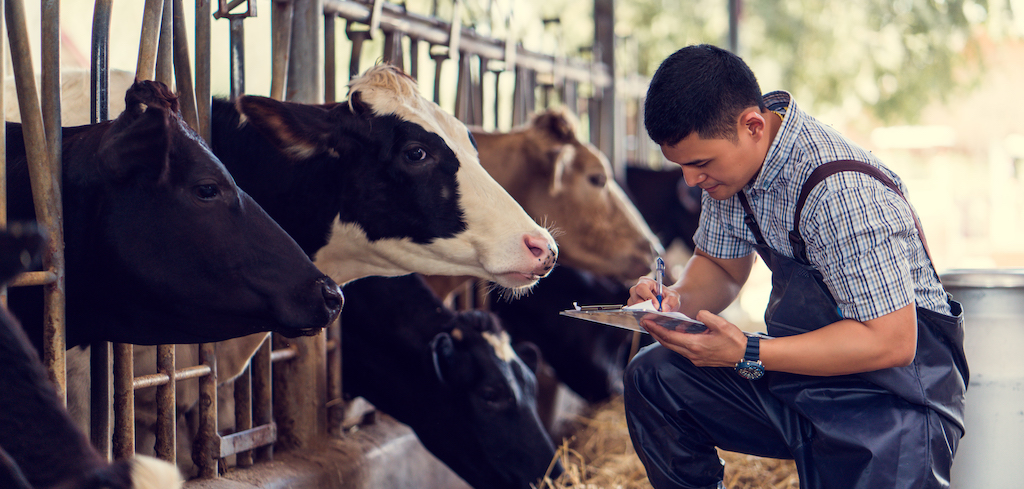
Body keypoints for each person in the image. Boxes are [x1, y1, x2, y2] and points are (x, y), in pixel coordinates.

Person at [624, 44, 968, 489]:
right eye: (682, 166)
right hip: (804, 380)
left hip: (892, 401)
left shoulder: (840, 192)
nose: (690, 181)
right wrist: (674, 300)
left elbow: (892, 341)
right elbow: (722, 268)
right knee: (656, 375)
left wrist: (749, 352)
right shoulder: (734, 174)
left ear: (751, 125)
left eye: (699, 164)